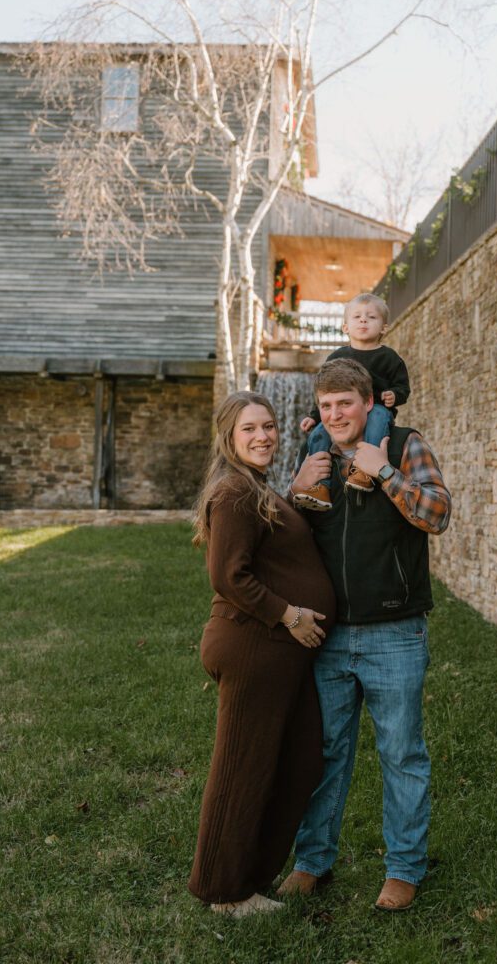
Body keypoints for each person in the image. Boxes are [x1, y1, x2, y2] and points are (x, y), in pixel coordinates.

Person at [278, 358, 451, 912]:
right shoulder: (316, 456)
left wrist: (383, 472)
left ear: (369, 402)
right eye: (326, 407)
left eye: (345, 405)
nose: (335, 416)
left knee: (401, 753)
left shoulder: (403, 445)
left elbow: (438, 513)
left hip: (394, 630)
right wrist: (292, 491)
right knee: (324, 752)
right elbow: (283, 543)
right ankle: (312, 862)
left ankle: (403, 868)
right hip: (327, 636)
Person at [188, 391, 336, 918]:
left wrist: (293, 499)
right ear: (229, 437)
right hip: (254, 643)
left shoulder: (257, 489)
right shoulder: (232, 491)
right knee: (241, 769)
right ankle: (223, 891)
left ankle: (250, 878)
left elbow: (273, 546)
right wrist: (289, 614)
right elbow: (229, 576)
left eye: (270, 426)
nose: (263, 436)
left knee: (300, 762)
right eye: (249, 429)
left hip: (279, 653)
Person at [293, 292, 410, 510]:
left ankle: (364, 472)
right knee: (319, 432)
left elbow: (403, 386)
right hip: (343, 416)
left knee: (376, 420)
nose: (363, 320)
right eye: (357, 317)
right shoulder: (337, 356)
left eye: (371, 317)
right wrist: (314, 415)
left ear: (384, 327)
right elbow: (325, 392)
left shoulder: (390, 358)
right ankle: (320, 486)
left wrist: (394, 395)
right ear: (345, 327)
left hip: (377, 408)